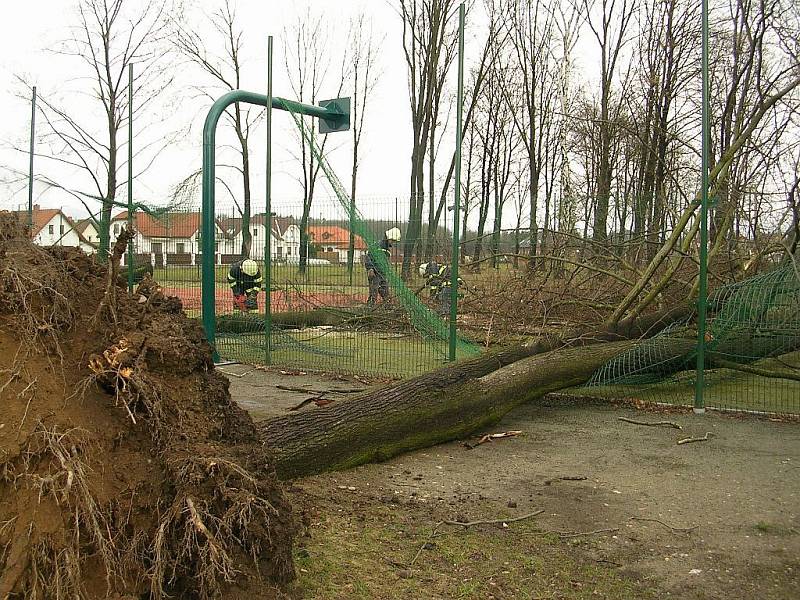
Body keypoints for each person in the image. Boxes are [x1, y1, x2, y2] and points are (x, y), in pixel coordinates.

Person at [365, 227, 401, 306]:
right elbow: (368, 257)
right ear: (388, 238)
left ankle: (387, 307)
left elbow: (386, 262)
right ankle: (370, 307)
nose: (393, 242)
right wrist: (370, 268)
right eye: (393, 240)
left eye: (394, 241)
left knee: (385, 293)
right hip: (374, 273)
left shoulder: (387, 250)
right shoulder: (376, 245)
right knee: (373, 292)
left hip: (383, 274)